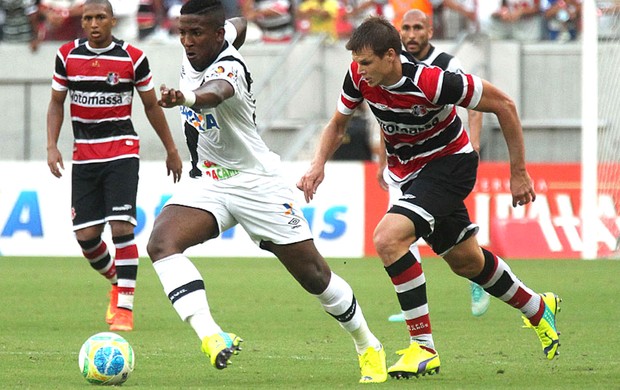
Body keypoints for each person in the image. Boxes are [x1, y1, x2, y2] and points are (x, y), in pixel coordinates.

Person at [298, 16, 560, 379]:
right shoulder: (358, 76)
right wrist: (317, 166)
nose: (360, 70)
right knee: (466, 262)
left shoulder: (431, 81)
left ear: (391, 56)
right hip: (409, 174)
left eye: (367, 62)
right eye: (357, 63)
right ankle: (537, 306)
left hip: (450, 165)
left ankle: (423, 348)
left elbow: (505, 105)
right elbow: (337, 123)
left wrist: (518, 172)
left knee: (388, 238)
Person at [146, 0, 387, 383]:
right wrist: (241, 22)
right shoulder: (222, 36)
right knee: (161, 244)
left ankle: (367, 344)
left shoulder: (230, 67)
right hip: (209, 181)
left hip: (257, 183)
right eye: (183, 33)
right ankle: (212, 335)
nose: (187, 42)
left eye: (196, 33)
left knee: (315, 277)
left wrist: (186, 98)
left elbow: (216, 92)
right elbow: (238, 25)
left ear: (217, 35)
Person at [46, 0, 183, 332]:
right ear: (83, 22)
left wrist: (171, 149)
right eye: (88, 18)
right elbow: (56, 102)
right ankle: (116, 280)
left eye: (100, 18)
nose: (94, 23)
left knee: (121, 227)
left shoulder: (133, 58)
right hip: (85, 155)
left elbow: (151, 106)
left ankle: (125, 307)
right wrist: (51, 145)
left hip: (121, 151)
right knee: (87, 238)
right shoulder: (67, 56)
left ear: (112, 21)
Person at [384, 8, 490, 320]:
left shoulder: (446, 64)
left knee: (453, 234)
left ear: (430, 31)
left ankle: (477, 277)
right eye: (406, 28)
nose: (412, 34)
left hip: (442, 159)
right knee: (397, 233)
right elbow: (386, 118)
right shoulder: (393, 64)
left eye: (418, 28)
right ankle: (413, 305)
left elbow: (475, 103)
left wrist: (475, 142)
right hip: (402, 165)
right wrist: (383, 160)